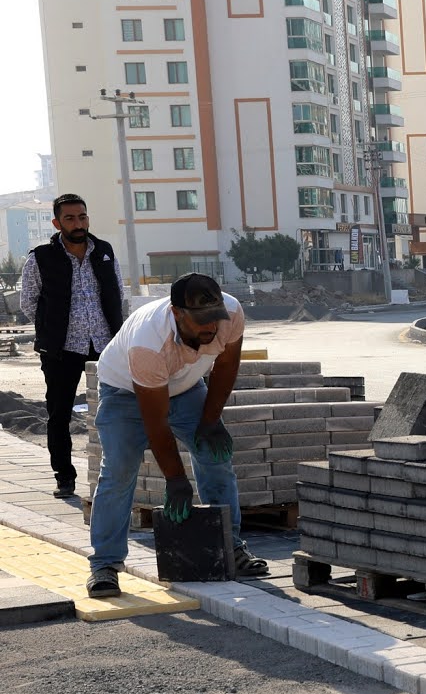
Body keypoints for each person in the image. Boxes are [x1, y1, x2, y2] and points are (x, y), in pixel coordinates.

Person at [87, 273, 268, 597]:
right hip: (126, 389)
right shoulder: (149, 343)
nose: (210, 329)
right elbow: (155, 422)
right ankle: (105, 564)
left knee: (214, 454)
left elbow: (226, 367)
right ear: (176, 314)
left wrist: (210, 421)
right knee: (120, 467)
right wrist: (175, 479)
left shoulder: (231, 313)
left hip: (185, 387)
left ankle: (231, 546)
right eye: (200, 322)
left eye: (213, 320)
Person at [20, 193, 124, 498]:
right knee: (60, 414)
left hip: (104, 346)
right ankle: (64, 477)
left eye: (82, 217)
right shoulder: (40, 257)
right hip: (61, 350)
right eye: (70, 218)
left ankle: (115, 471)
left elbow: (117, 293)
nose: (78, 224)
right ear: (57, 222)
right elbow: (28, 303)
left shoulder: (103, 252)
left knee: (114, 410)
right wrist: (52, 330)